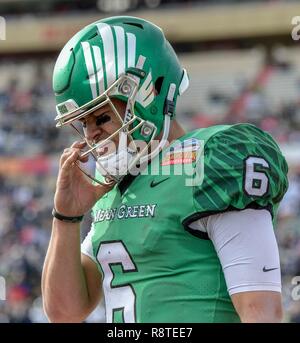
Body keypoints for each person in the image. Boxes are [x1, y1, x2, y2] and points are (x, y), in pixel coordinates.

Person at [42, 16, 289, 323]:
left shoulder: (211, 162)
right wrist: (65, 217)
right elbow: (64, 312)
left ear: (150, 93)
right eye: (85, 122)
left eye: (102, 117)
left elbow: (261, 313)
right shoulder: (114, 189)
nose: (91, 134)